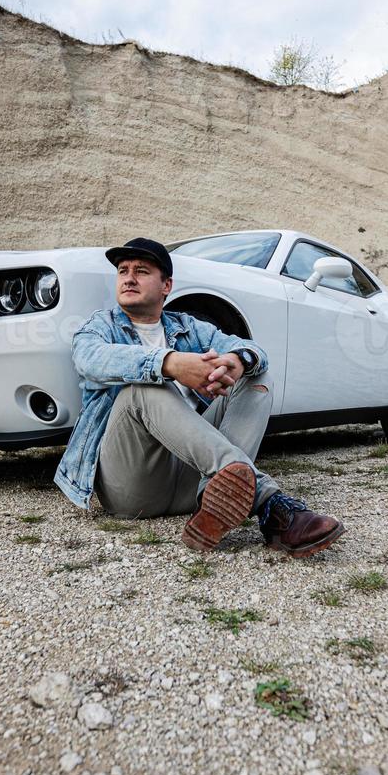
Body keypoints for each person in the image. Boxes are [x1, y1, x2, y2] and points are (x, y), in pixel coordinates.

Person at [54, 237, 345, 558]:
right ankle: (269, 504)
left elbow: (253, 351)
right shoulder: (101, 326)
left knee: (257, 374)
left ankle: (216, 498)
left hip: (191, 481)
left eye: (141, 270)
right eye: (122, 271)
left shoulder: (188, 328)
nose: (129, 278)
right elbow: (89, 360)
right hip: (132, 487)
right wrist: (170, 363)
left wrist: (237, 362)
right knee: (143, 387)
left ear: (166, 285)